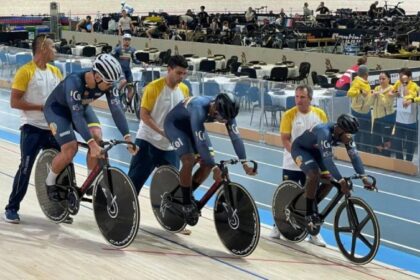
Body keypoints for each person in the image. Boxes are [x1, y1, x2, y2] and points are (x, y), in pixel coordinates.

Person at [43, 54, 137, 201]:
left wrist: (127, 136)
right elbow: (76, 116)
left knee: (98, 137)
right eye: (108, 83)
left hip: (81, 107)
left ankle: (90, 183)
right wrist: (90, 144)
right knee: (70, 148)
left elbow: (117, 109)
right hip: (58, 110)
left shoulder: (108, 83)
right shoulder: (74, 82)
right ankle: (49, 182)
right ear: (98, 77)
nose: (111, 86)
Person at [163, 93, 257, 225]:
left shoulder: (227, 112)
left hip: (193, 126)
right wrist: (214, 168)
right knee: (189, 160)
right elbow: (201, 143)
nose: (224, 121)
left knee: (207, 163)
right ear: (215, 108)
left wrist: (244, 162)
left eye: (226, 120)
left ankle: (188, 193)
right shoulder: (198, 107)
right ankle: (185, 203)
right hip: (175, 125)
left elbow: (235, 137)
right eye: (222, 118)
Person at [3, 35, 64, 224]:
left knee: (64, 164)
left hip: (52, 129)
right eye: (52, 47)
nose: (55, 50)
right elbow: (15, 102)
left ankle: (60, 205)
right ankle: (12, 208)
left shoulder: (56, 71)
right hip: (32, 128)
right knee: (25, 168)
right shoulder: (25, 72)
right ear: (43, 49)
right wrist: (40, 107)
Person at [291, 114, 371, 234]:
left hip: (317, 151)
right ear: (339, 129)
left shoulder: (346, 136)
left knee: (330, 181)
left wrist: (364, 177)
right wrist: (341, 180)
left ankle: (313, 205)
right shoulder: (324, 132)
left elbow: (355, 157)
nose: (350, 137)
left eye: (352, 134)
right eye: (348, 133)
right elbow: (328, 160)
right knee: (314, 175)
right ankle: (308, 213)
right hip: (300, 149)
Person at [269, 85, 328, 247]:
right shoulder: (289, 115)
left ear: (310, 98)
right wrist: (297, 158)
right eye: (296, 97)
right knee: (287, 196)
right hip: (292, 163)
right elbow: (285, 139)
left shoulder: (320, 114)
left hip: (312, 164)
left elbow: (324, 138)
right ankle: (277, 226)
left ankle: (313, 232)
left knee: (312, 195)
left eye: (302, 97)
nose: (299, 100)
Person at [128, 55, 189, 194]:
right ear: (169, 69)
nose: (182, 77)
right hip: (147, 141)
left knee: (174, 187)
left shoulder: (184, 90)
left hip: (169, 146)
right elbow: (143, 115)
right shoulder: (153, 88)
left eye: (184, 74)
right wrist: (161, 131)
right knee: (133, 184)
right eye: (178, 73)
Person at [392, 68, 419, 161]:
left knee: (410, 144)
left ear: (410, 77)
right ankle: (399, 162)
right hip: (399, 119)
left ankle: (408, 162)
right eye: (400, 77)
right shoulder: (398, 84)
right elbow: (391, 92)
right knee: (397, 142)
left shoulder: (415, 86)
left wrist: (411, 100)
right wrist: (396, 93)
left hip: (410, 121)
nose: (401, 79)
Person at [369, 72, 396, 156]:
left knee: (386, 140)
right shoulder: (377, 88)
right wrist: (372, 95)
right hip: (377, 117)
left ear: (389, 79)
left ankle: (387, 157)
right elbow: (371, 103)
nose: (381, 80)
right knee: (376, 139)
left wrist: (380, 94)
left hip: (387, 117)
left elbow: (387, 104)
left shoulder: (392, 89)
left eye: (383, 79)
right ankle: (379, 158)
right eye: (380, 79)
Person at [346, 65, 372, 153]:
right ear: (366, 73)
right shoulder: (357, 82)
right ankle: (359, 150)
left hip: (365, 111)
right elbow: (350, 93)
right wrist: (360, 91)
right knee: (359, 132)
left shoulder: (365, 82)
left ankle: (364, 150)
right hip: (359, 112)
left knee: (365, 132)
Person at [112, 33, 141, 105]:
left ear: (130, 41)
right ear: (123, 40)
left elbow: (135, 60)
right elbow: (111, 56)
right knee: (123, 81)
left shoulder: (133, 50)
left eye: (128, 40)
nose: (127, 41)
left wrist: (142, 63)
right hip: (120, 70)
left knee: (131, 87)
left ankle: (128, 103)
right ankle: (116, 93)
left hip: (128, 70)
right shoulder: (118, 49)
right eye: (125, 39)